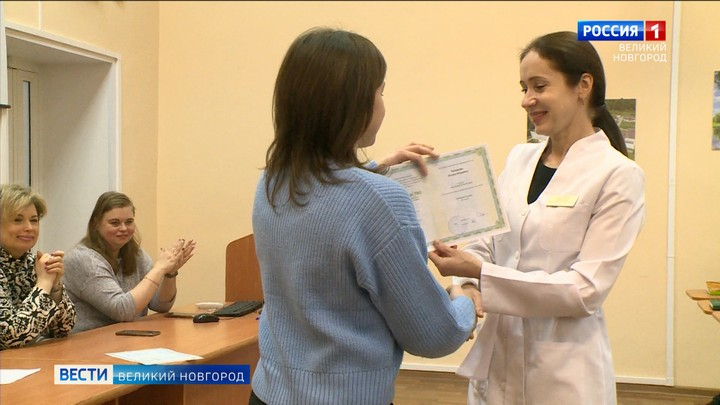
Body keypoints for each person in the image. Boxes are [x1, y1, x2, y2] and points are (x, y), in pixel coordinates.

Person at [250, 27, 477, 405]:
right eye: (380, 92)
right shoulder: (380, 201)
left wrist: (376, 167)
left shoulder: (272, 181)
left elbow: (325, 200)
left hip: (268, 392)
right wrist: (466, 297)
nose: (383, 105)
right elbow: (434, 335)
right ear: (353, 104)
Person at [429, 31, 646, 405]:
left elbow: (585, 290)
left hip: (563, 373)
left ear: (583, 86)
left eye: (539, 86)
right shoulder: (519, 159)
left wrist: (481, 274)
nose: (527, 100)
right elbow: (486, 241)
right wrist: (467, 285)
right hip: (498, 363)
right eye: (524, 88)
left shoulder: (618, 175)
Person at [63, 191, 195, 332]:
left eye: (129, 222)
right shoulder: (82, 259)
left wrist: (170, 273)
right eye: (115, 223)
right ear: (96, 224)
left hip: (128, 338)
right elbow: (122, 310)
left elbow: (160, 305)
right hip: (89, 342)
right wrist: (159, 269)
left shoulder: (137, 255)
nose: (124, 228)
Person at [0, 184, 76, 349]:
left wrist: (55, 287)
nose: (29, 227)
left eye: (34, 220)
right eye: (17, 220)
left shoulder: (31, 262)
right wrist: (44, 283)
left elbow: (63, 328)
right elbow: (9, 337)